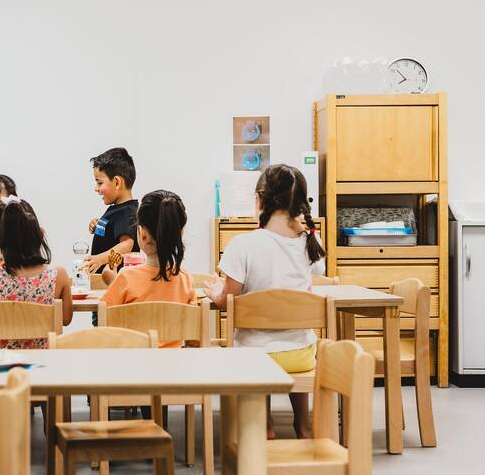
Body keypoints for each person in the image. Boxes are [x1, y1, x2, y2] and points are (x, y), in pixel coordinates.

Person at [204, 164, 325, 439]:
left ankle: (265, 425)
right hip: (302, 354)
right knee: (292, 337)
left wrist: (216, 295)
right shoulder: (309, 243)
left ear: (259, 199)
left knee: (258, 344)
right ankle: (302, 425)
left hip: (255, 356)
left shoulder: (242, 245)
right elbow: (317, 273)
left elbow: (230, 302)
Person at [0, 196, 73, 348]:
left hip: (6, 364)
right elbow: (65, 319)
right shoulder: (58, 275)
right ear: (39, 234)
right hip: (46, 363)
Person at [102, 190, 196, 348]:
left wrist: (114, 282)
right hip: (176, 367)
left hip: (136, 366)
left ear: (142, 234)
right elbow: (193, 336)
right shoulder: (186, 280)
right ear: (180, 233)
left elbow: (105, 322)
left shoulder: (126, 278)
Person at [83, 147, 140, 276]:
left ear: (117, 182)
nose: (96, 189)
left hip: (113, 280)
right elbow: (112, 231)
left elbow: (127, 245)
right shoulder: (117, 209)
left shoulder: (127, 211)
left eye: (99, 183)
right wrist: (99, 225)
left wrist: (99, 259)